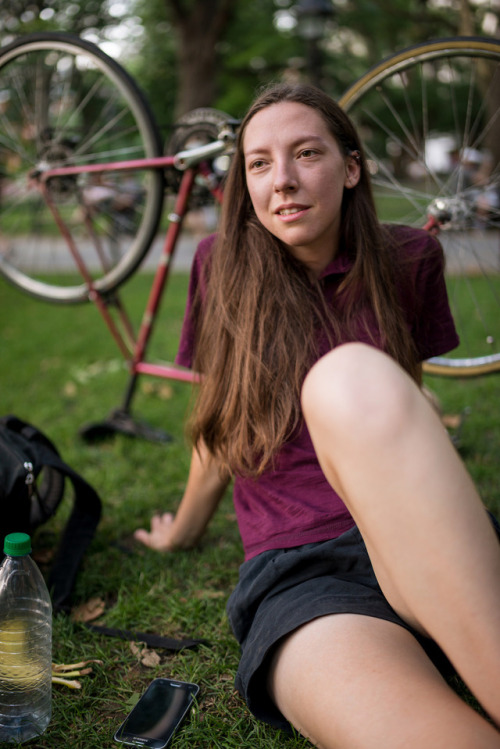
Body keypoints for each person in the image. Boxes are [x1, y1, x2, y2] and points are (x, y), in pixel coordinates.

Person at [134, 82, 500, 748]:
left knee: (350, 376)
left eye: (306, 153)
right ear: (245, 181)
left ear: (352, 167)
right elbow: (225, 425)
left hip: (417, 528)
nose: (284, 181)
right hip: (302, 573)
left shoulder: (411, 257)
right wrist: (183, 530)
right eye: (261, 163)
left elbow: (398, 405)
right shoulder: (223, 268)